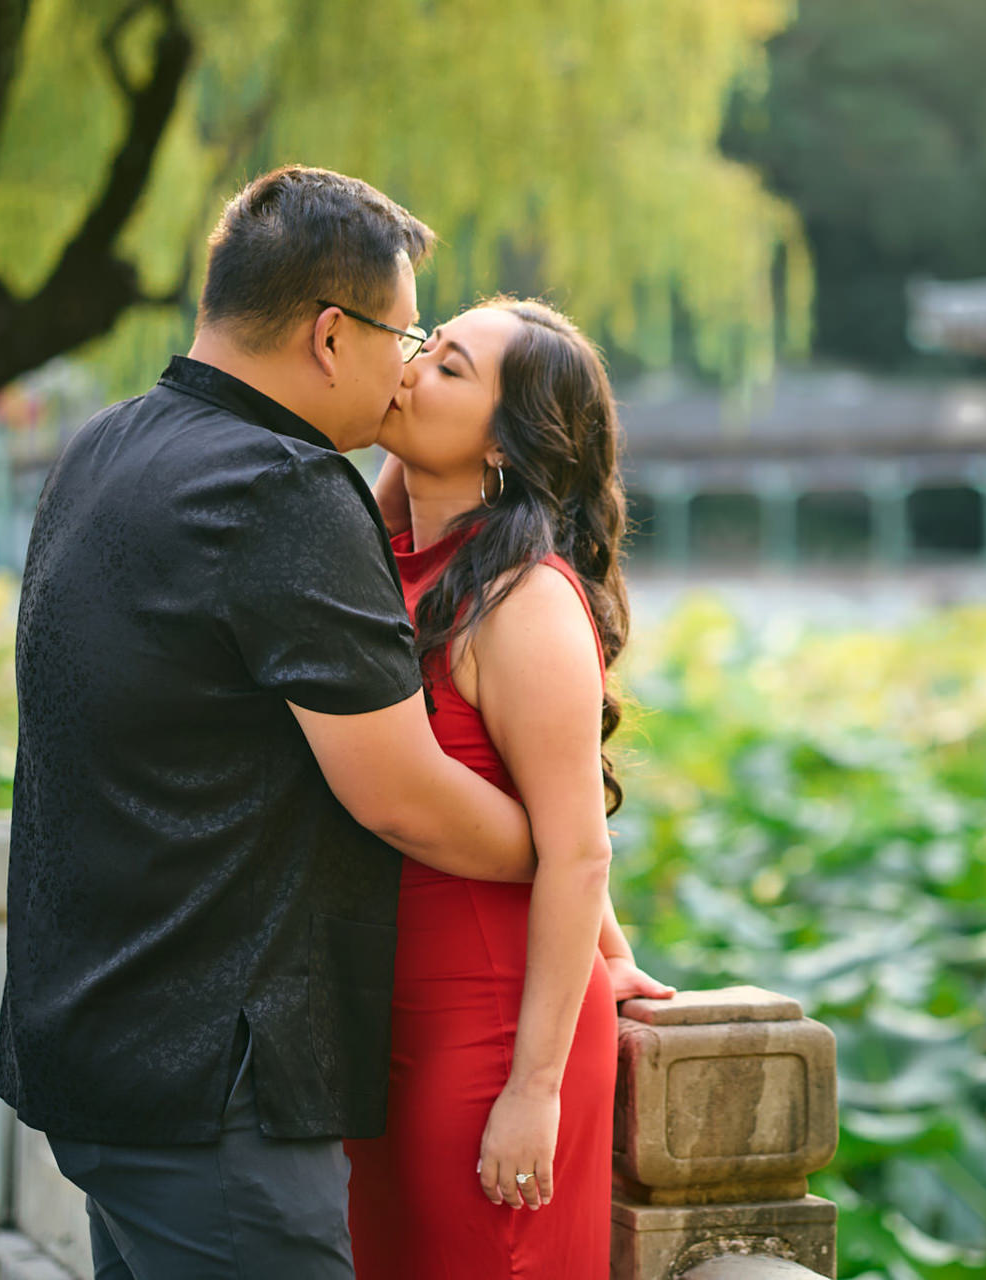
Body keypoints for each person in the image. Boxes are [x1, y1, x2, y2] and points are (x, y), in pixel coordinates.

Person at [0, 166, 537, 1280]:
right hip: (214, 1086)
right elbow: (400, 789)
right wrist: (563, 847)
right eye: (405, 333)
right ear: (333, 334)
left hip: (97, 1047)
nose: (406, 368)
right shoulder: (280, 488)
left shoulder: (106, 447)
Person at [345, 297, 673, 1279]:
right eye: (424, 345)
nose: (408, 368)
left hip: (490, 1035)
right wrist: (396, 443)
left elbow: (575, 843)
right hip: (386, 1024)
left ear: (506, 444)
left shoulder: (523, 600)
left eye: (448, 369)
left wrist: (535, 1088)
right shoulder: (393, 558)